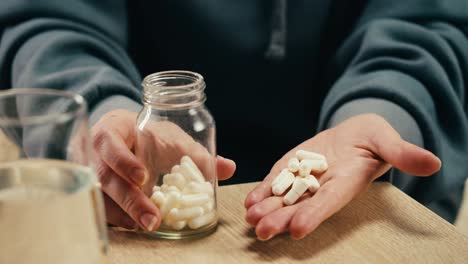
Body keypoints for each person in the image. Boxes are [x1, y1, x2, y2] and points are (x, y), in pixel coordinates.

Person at [0, 0, 466, 240]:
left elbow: (429, 20)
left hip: (357, 199)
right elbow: (46, 18)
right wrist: (100, 116)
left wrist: (386, 109)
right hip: (138, 198)